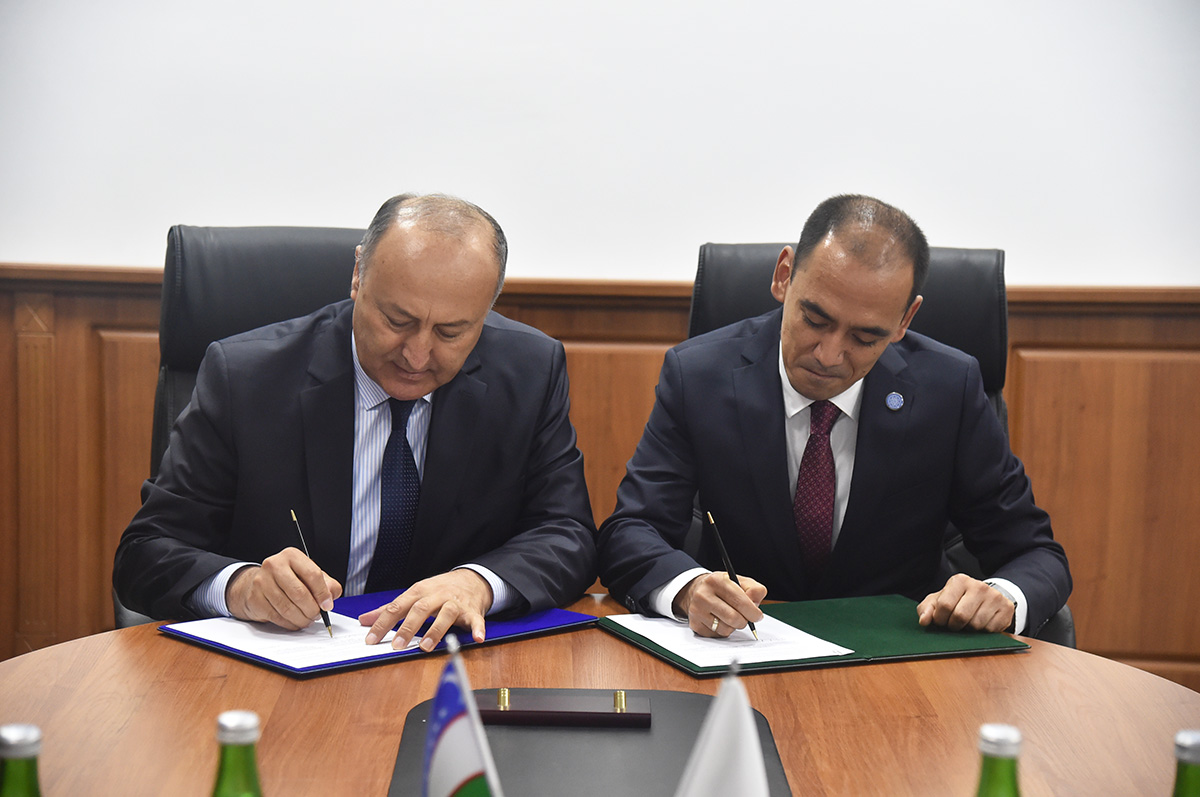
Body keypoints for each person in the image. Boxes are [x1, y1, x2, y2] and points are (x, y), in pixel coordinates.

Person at [114, 193, 597, 651]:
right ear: (357, 279)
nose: (417, 355)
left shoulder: (530, 372)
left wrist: (479, 584)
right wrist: (241, 587)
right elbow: (146, 553)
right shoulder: (245, 378)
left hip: (445, 663)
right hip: (288, 668)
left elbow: (567, 534)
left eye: (451, 332)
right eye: (397, 320)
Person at [597, 194, 1070, 640]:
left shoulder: (950, 390)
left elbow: (1034, 552)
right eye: (815, 319)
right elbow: (630, 531)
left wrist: (1003, 597)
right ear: (784, 276)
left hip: (899, 660)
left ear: (905, 320)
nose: (828, 355)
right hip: (743, 650)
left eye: (864, 338)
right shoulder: (699, 376)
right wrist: (688, 588)